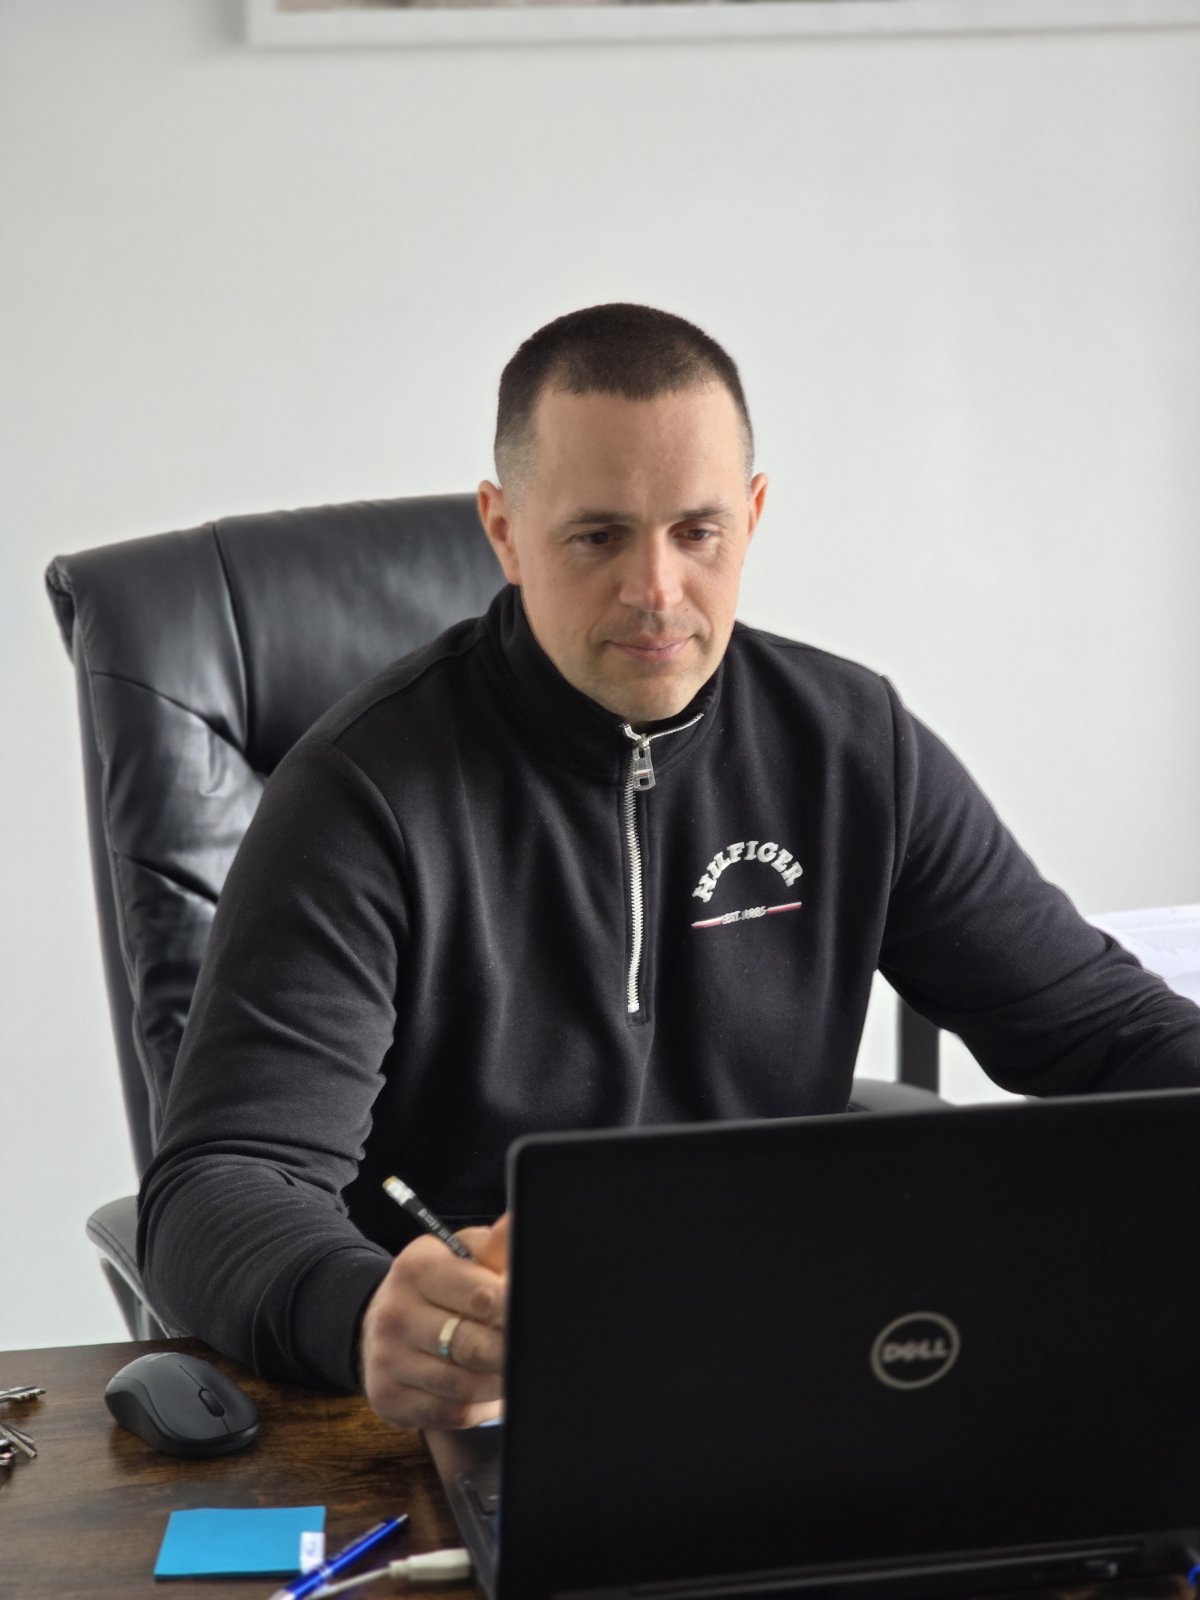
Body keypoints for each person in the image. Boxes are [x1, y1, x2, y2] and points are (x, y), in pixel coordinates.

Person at [138, 302, 1200, 1432]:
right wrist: (363, 1312)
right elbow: (218, 1185)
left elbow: (1102, 1030)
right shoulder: (362, 793)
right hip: (486, 1406)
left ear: (753, 515)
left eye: (698, 532)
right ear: (504, 529)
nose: (657, 589)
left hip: (788, 1368)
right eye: (598, 536)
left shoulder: (851, 748)